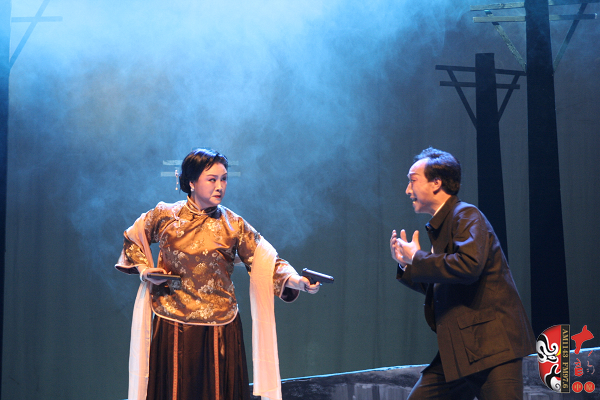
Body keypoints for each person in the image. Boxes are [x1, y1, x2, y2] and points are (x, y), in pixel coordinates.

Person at [115, 148, 321, 400]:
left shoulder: (233, 224)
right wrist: (145, 271)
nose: (219, 186)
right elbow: (132, 238)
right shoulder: (165, 215)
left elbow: (266, 260)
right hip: (173, 321)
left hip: (220, 324)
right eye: (212, 179)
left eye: (224, 179)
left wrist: (298, 281)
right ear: (191, 182)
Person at [390, 147, 535, 399]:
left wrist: (417, 257)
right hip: (460, 349)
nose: (407, 190)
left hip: (491, 346)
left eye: (412, 180)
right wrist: (406, 264)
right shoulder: (444, 224)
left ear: (436, 183)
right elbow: (441, 284)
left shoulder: (466, 215)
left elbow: (468, 266)